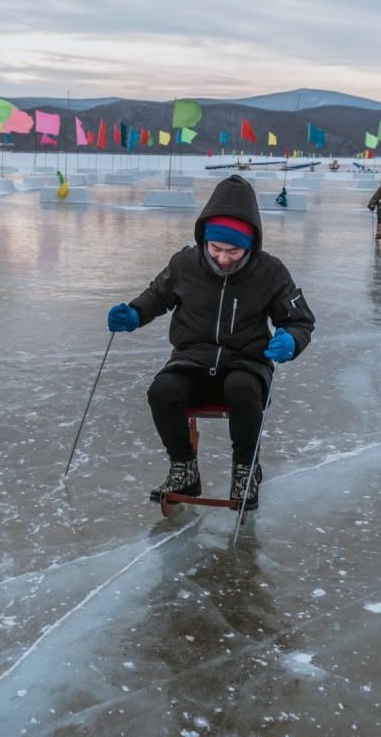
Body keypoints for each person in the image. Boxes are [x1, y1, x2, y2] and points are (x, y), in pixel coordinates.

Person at [106, 175, 315, 511]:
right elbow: (156, 297)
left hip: (246, 364)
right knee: (162, 391)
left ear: (251, 244)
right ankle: (183, 468)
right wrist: (132, 313)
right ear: (204, 239)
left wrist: (290, 340)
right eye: (216, 248)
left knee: (243, 389)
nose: (223, 258)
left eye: (233, 250)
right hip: (192, 362)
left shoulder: (270, 272)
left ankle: (246, 471)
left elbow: (299, 319)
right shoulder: (185, 263)